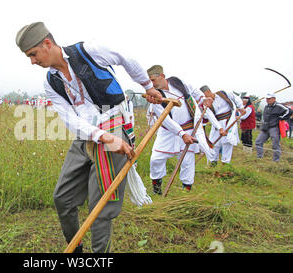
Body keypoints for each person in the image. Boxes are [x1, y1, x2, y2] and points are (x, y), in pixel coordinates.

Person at [15, 22, 162, 253]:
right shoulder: (50, 81)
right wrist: (102, 137)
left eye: (33, 54)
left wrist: (145, 85)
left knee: (100, 205)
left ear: (47, 43)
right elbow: (69, 119)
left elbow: (125, 57)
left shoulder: (89, 51)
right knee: (62, 198)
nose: (32, 61)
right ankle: (76, 251)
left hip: (114, 124)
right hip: (87, 134)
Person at [147, 66, 214, 194]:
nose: (152, 84)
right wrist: (181, 134)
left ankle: (186, 192)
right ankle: (157, 189)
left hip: (189, 129)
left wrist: (203, 99)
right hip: (167, 131)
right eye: (149, 81)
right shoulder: (154, 97)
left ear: (162, 76)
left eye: (153, 80)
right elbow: (165, 120)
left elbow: (194, 91)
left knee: (188, 161)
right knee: (156, 159)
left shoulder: (178, 83)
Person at [200, 86, 246, 166]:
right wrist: (220, 128)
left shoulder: (223, 94)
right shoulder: (206, 103)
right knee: (214, 143)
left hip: (229, 121)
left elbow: (236, 98)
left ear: (208, 91)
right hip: (217, 124)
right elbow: (211, 117)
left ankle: (225, 164)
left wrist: (241, 107)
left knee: (227, 142)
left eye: (205, 95)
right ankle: (213, 163)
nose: (205, 98)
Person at [255, 93, 293, 161]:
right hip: (265, 127)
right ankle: (259, 157)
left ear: (274, 99)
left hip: (274, 127)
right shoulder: (266, 106)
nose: (267, 100)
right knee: (258, 141)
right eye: (267, 99)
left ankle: (276, 160)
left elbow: (289, 111)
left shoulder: (279, 106)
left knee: (275, 144)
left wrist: (281, 118)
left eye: (269, 99)